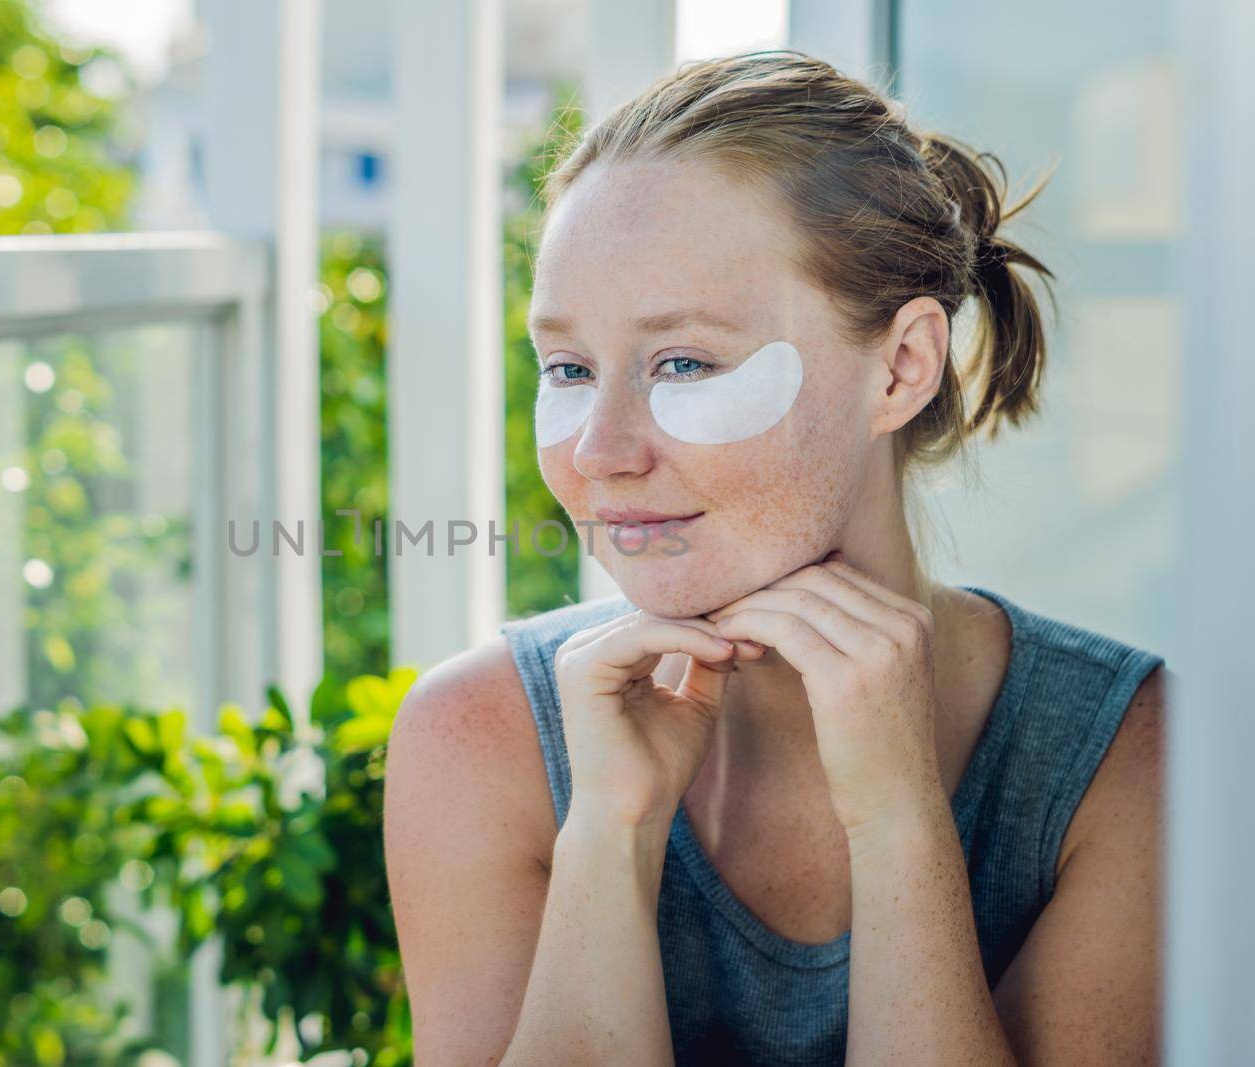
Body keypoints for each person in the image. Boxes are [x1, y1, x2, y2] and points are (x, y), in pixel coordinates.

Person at [382, 50, 1168, 1066]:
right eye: (569, 368)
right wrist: (609, 837)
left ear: (900, 366)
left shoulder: (1131, 759)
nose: (599, 450)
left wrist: (897, 822)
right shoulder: (475, 738)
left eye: (683, 363)